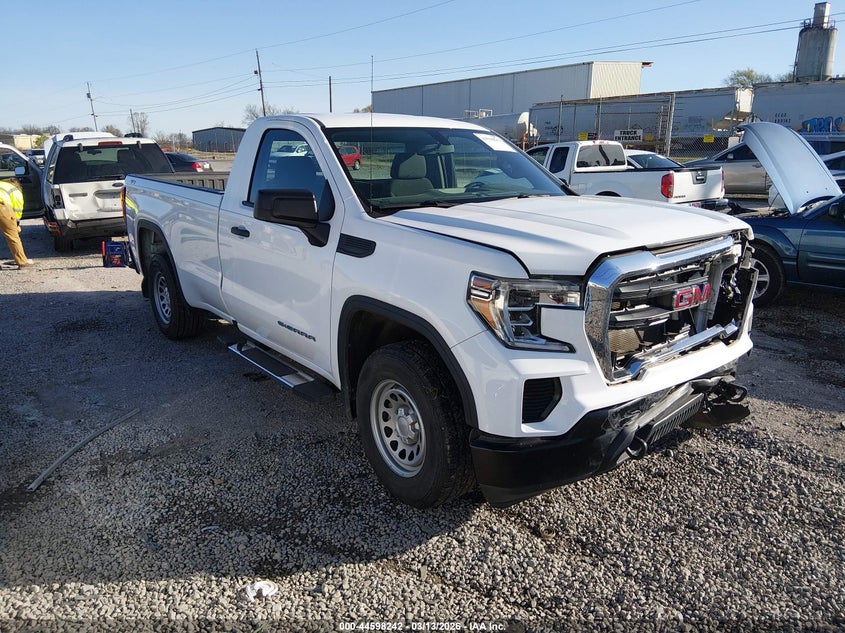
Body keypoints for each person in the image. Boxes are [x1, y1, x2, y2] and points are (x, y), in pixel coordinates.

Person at [0, 179, 32, 269]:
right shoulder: (14, 190)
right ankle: (22, 262)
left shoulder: (2, 184)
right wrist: (16, 223)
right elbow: (18, 209)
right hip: (2, 207)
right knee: (13, 237)